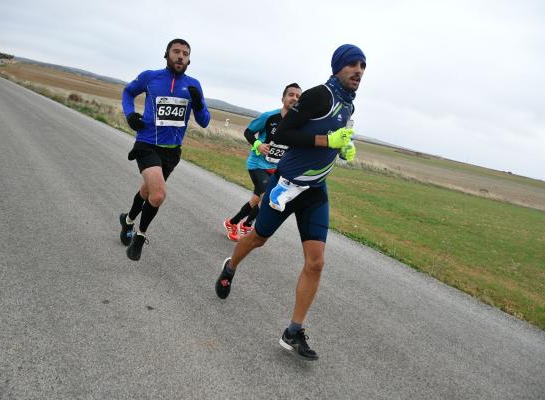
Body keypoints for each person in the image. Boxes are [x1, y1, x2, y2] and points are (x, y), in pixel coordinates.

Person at [214, 44, 366, 361]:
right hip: (285, 186)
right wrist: (327, 141)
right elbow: (284, 132)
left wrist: (343, 148)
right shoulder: (319, 95)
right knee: (256, 239)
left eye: (363, 66)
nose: (358, 70)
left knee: (316, 262)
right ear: (338, 66)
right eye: (352, 64)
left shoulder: (349, 106)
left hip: (315, 190)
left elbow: (337, 135)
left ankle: (293, 330)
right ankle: (230, 266)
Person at [119, 38, 210, 261]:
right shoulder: (151, 77)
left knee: (148, 191)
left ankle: (128, 220)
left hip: (172, 151)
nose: (180, 56)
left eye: (185, 53)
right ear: (166, 54)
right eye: (176, 51)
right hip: (147, 144)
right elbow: (128, 92)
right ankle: (139, 237)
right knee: (158, 194)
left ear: (189, 59)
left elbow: (205, 121)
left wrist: (198, 104)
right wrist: (130, 115)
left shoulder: (193, 84)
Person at [223, 83, 302, 241]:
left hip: (276, 168)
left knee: (257, 199)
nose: (294, 98)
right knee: (266, 195)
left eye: (298, 96)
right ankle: (243, 224)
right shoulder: (269, 116)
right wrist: (258, 144)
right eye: (291, 94)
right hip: (257, 164)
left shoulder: (298, 123)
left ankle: (235, 223)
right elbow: (248, 132)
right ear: (283, 98)